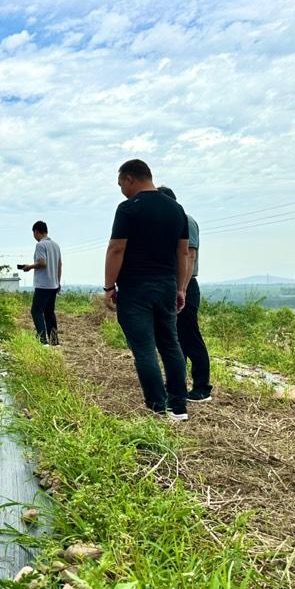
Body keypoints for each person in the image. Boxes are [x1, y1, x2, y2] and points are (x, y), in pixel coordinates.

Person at [103, 160, 190, 420]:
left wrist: (109, 286)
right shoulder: (177, 210)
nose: (121, 190)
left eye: (121, 185)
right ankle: (179, 406)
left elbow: (116, 248)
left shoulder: (128, 209)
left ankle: (157, 407)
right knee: (170, 345)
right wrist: (181, 288)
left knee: (144, 349)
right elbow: (183, 252)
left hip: (136, 289)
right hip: (166, 286)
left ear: (130, 179)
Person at [157, 186, 213, 402]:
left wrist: (181, 288)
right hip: (172, 285)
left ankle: (202, 387)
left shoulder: (186, 221)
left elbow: (189, 256)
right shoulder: (170, 223)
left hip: (185, 286)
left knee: (190, 336)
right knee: (174, 338)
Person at [18, 221, 62, 345]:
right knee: (49, 312)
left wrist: (29, 267)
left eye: (34, 233)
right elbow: (59, 265)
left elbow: (42, 263)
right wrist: (58, 282)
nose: (34, 236)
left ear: (37, 231)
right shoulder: (55, 245)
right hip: (53, 284)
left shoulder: (41, 245)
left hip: (43, 285)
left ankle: (43, 342)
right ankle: (54, 342)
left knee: (36, 311)